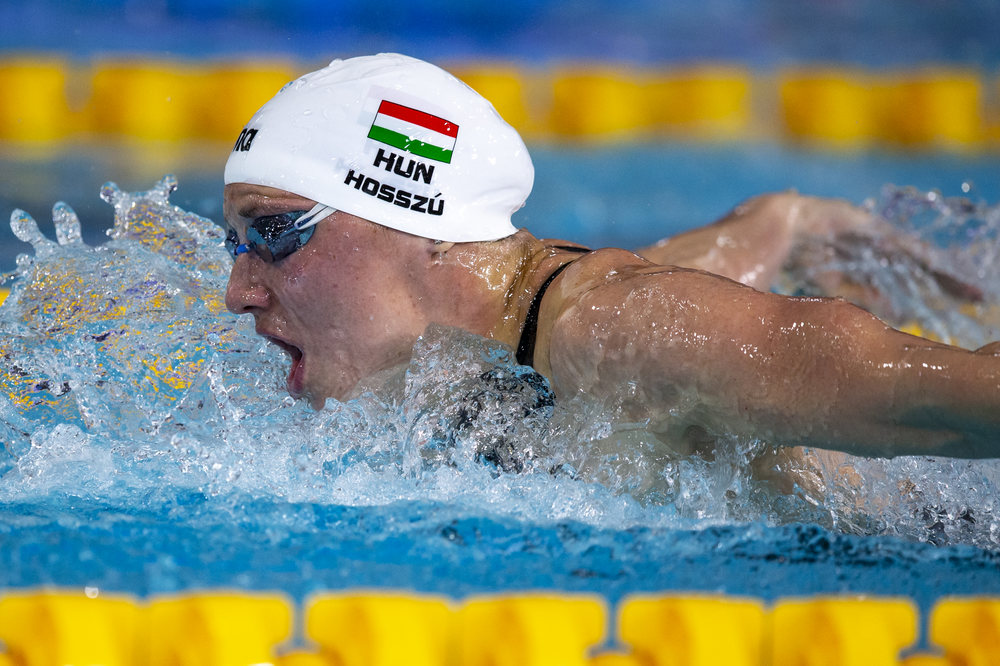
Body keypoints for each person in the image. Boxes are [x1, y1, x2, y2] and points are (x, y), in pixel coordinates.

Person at [223, 53, 1000, 465]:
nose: (238, 291)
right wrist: (776, 228)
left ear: (420, 220)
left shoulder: (622, 334)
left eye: (274, 232)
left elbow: (949, 397)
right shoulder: (504, 334)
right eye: (236, 243)